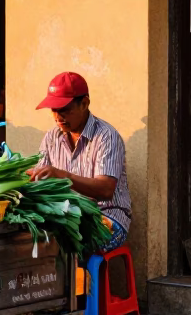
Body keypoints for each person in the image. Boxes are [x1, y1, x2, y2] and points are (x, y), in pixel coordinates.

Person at [29, 71, 131, 248]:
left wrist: (62, 176)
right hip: (67, 213)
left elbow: (106, 189)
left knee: (69, 244)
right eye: (54, 110)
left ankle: (81, 275)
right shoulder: (52, 137)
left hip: (107, 216)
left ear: (84, 103)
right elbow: (41, 180)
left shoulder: (106, 136)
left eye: (65, 110)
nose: (58, 117)